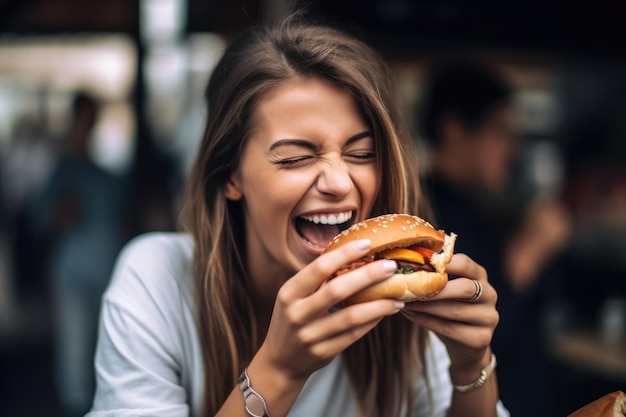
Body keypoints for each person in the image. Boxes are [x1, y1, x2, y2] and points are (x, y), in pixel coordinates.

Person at [87, 15, 508, 417]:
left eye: (361, 154)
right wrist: (279, 372)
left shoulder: (401, 301)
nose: (340, 182)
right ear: (230, 174)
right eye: (294, 158)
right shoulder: (157, 279)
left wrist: (472, 366)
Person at [418, 62, 570, 416]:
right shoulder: (428, 218)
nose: (512, 148)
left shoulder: (485, 204)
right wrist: (527, 256)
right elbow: (468, 334)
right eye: (500, 131)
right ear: (454, 131)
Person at [28, 92, 126, 417]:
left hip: (109, 273)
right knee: (74, 355)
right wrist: (59, 214)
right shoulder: (61, 170)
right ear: (74, 119)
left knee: (109, 352)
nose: (87, 123)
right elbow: (38, 221)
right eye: (83, 116)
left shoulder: (108, 174)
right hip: (72, 274)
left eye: (91, 116)